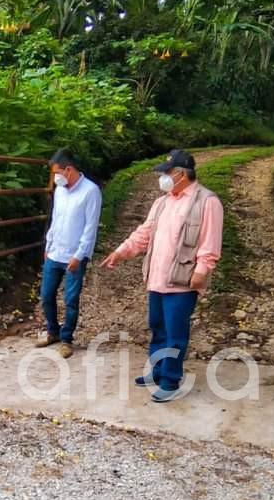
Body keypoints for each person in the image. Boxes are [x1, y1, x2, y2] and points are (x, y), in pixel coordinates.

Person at [100, 149, 223, 402]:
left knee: (175, 332)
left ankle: (170, 380)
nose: (163, 178)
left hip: (182, 280)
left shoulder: (207, 201)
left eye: (167, 173)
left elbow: (210, 243)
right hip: (157, 278)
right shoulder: (163, 202)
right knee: (157, 327)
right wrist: (121, 252)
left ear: (181, 174)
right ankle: (157, 370)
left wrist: (201, 272)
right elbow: (144, 234)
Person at [36, 149, 101, 358]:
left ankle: (66, 338)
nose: (56, 178)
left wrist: (79, 255)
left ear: (69, 169)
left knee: (71, 299)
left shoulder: (90, 192)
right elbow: (55, 220)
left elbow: (90, 228)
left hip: (74, 255)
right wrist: (48, 245)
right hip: (55, 252)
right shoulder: (60, 190)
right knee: (46, 295)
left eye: (58, 173)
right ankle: (52, 331)